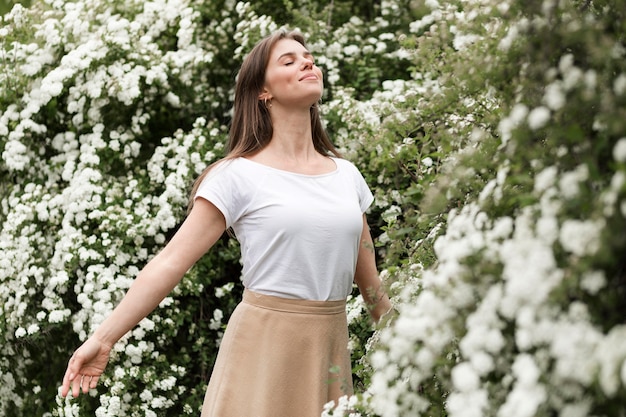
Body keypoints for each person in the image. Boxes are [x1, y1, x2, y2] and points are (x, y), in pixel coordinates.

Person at [60, 29, 392, 416]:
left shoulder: (346, 175)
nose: (307, 62)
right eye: (289, 60)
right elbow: (170, 263)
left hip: (328, 351)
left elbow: (371, 288)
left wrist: (415, 347)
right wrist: (103, 339)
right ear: (262, 92)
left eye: (309, 58)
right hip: (262, 348)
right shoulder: (236, 176)